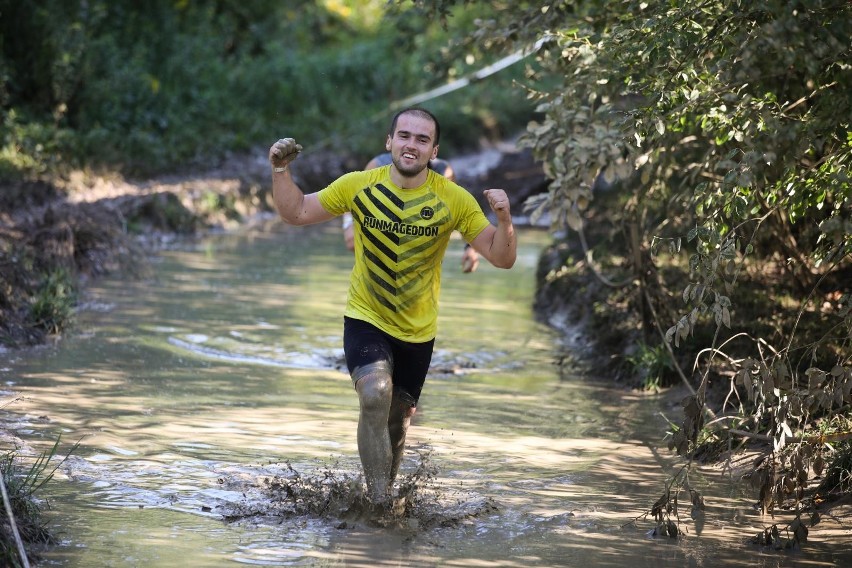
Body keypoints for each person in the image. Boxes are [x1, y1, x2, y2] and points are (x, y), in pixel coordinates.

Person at [268, 107, 516, 508]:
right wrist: (280, 172)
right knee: (374, 393)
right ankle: (380, 505)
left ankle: (385, 494)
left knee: (398, 423)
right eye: (404, 136)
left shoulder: (453, 199)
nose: (411, 145)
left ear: (434, 149)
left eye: (421, 139)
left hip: (418, 331)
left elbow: (502, 258)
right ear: (389, 142)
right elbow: (296, 211)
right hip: (366, 316)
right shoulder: (358, 185)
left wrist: (504, 220)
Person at [342, 153, 479, 273]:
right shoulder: (377, 166)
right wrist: (349, 224)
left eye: (422, 140)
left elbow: (458, 212)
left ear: (433, 150)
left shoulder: (443, 173)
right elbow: (352, 195)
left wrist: (470, 247)